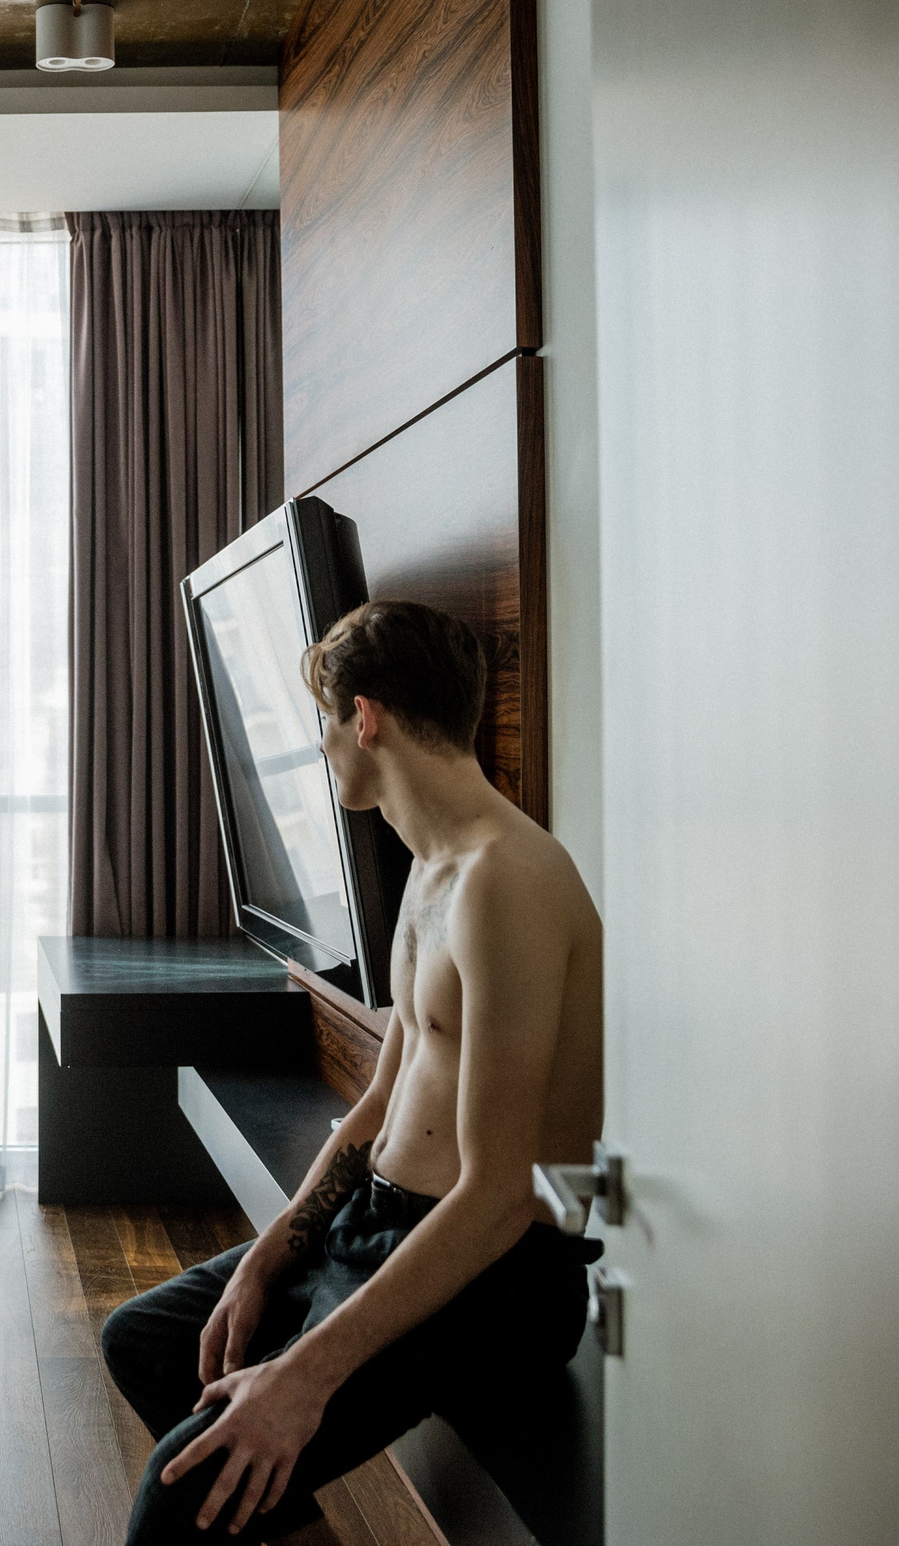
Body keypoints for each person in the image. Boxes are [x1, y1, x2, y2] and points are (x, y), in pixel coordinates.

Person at [100, 601, 604, 1542]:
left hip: (495, 1275)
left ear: (363, 717)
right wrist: (266, 1257)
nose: (326, 747)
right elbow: (379, 1103)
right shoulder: (432, 867)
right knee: (150, 1340)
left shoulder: (508, 880)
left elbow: (497, 1194)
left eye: (325, 724)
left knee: (178, 1496)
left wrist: (303, 1372)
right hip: (379, 1220)